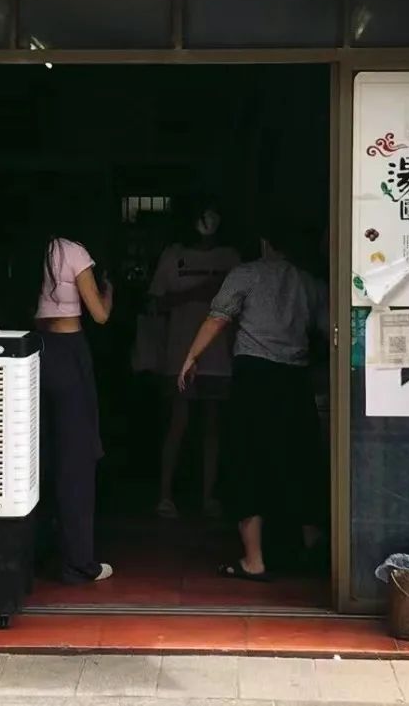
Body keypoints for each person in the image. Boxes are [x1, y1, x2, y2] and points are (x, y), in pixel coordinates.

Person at [178, 227, 327, 582]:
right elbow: (328, 328)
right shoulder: (309, 283)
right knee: (300, 461)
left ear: (263, 242)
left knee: (246, 463)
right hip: (294, 380)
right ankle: (311, 551)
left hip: (254, 379)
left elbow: (218, 317)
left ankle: (254, 560)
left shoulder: (245, 274)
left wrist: (192, 356)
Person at [26, 195, 115, 584]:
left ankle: (33, 551)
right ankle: (78, 561)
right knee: (76, 458)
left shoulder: (26, 251)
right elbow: (100, 314)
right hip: (68, 351)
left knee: (35, 455)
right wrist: (109, 289)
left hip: (32, 352)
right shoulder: (72, 251)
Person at [148, 199, 239, 519]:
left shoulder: (230, 257)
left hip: (219, 355)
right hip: (179, 353)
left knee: (213, 427)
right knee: (178, 423)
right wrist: (199, 292)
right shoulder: (173, 256)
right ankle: (165, 495)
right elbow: (156, 303)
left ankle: (209, 497)